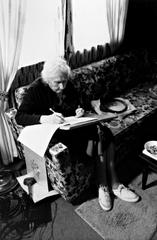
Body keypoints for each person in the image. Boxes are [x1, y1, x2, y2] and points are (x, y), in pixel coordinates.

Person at [15, 57, 139, 211]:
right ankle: (109, 184)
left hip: (72, 124)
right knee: (96, 139)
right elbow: (19, 117)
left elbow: (76, 103)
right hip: (56, 132)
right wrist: (44, 118)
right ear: (47, 80)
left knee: (102, 132)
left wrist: (78, 110)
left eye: (65, 81)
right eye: (57, 83)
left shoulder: (67, 85)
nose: (62, 86)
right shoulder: (36, 89)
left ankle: (107, 184)